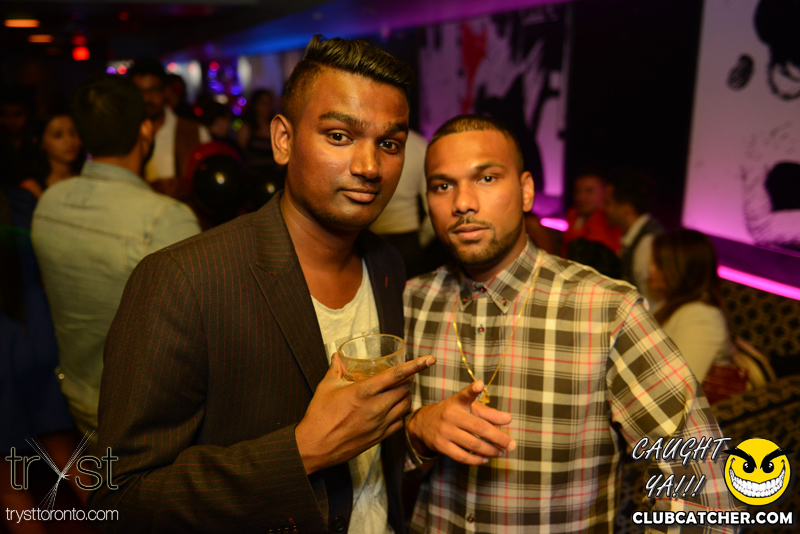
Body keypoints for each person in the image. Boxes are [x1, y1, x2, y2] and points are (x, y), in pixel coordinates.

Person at [89, 35, 435, 533]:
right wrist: (301, 452)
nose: (369, 167)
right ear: (283, 140)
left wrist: (418, 431)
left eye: (389, 144)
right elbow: (118, 496)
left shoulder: (387, 265)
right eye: (340, 136)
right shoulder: (184, 281)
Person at [403, 115, 738, 532]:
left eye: (487, 178)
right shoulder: (412, 299)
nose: (463, 203)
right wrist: (415, 432)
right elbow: (362, 460)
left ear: (526, 191)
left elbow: (704, 486)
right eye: (442, 186)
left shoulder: (606, 309)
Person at [30, 74, 201, 437]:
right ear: (145, 129)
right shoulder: (164, 219)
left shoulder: (48, 203)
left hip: (79, 395)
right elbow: (204, 334)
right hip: (145, 416)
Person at [648, 229, 731, 382]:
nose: (650, 268)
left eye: (659, 264)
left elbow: (679, 384)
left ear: (681, 268)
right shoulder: (670, 304)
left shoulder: (701, 316)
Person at [128, 58, 211, 200]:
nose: (146, 98)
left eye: (153, 90)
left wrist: (190, 188)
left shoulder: (195, 131)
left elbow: (209, 182)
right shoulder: (124, 134)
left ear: (166, 91)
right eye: (139, 92)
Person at [369, 129, 434, 278]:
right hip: (408, 241)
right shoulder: (418, 144)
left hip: (372, 238)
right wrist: (419, 242)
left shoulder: (370, 139)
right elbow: (432, 209)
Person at [604, 166, 664, 301]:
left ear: (625, 209)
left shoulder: (647, 244)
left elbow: (651, 302)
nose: (603, 208)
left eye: (608, 203)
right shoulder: (634, 237)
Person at [18, 111, 84, 199]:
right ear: (41, 142)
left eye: (72, 133)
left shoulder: (87, 177)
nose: (69, 141)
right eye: (58, 135)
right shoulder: (33, 187)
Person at [561, 171, 621, 256]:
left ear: (605, 192)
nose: (581, 197)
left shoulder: (613, 217)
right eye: (577, 191)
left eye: (589, 191)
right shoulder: (572, 214)